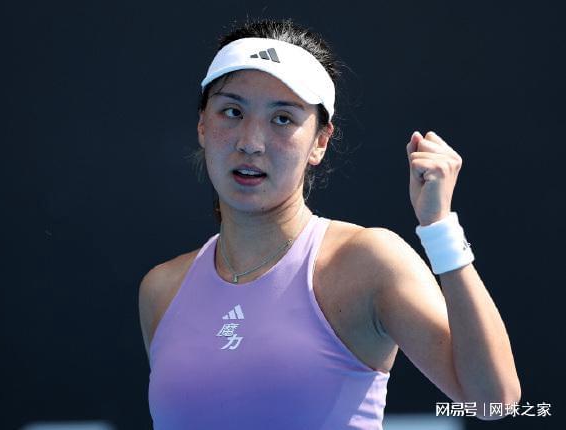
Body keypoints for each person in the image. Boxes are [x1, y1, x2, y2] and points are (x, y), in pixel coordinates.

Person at [138, 18, 520, 430]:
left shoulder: (369, 262)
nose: (250, 142)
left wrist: (439, 227)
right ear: (202, 124)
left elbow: (494, 401)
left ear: (320, 142)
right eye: (232, 112)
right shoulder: (160, 290)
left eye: (282, 119)